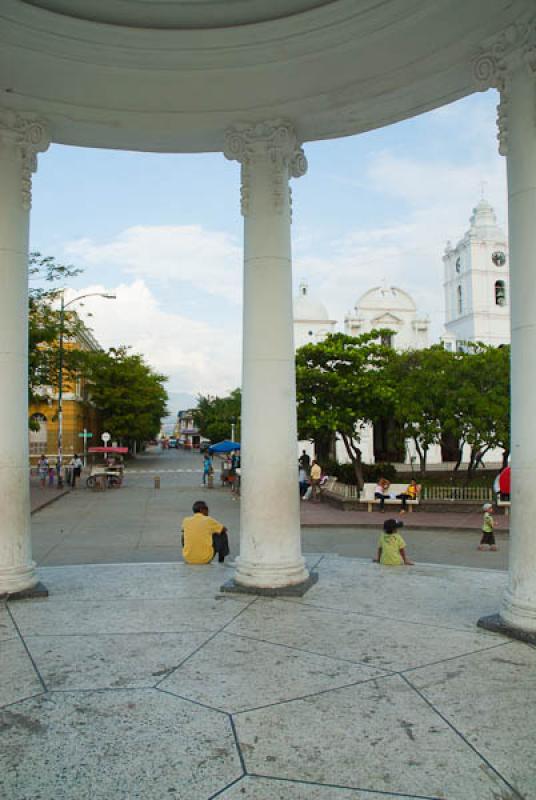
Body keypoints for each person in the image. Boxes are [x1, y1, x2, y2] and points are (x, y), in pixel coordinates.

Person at [181, 500, 230, 564]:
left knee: (183, 534)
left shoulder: (186, 520)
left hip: (188, 558)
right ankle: (221, 561)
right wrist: (212, 531)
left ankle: (190, 552)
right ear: (202, 510)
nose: (208, 511)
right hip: (205, 558)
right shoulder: (208, 520)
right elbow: (224, 529)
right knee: (221, 533)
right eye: (207, 509)